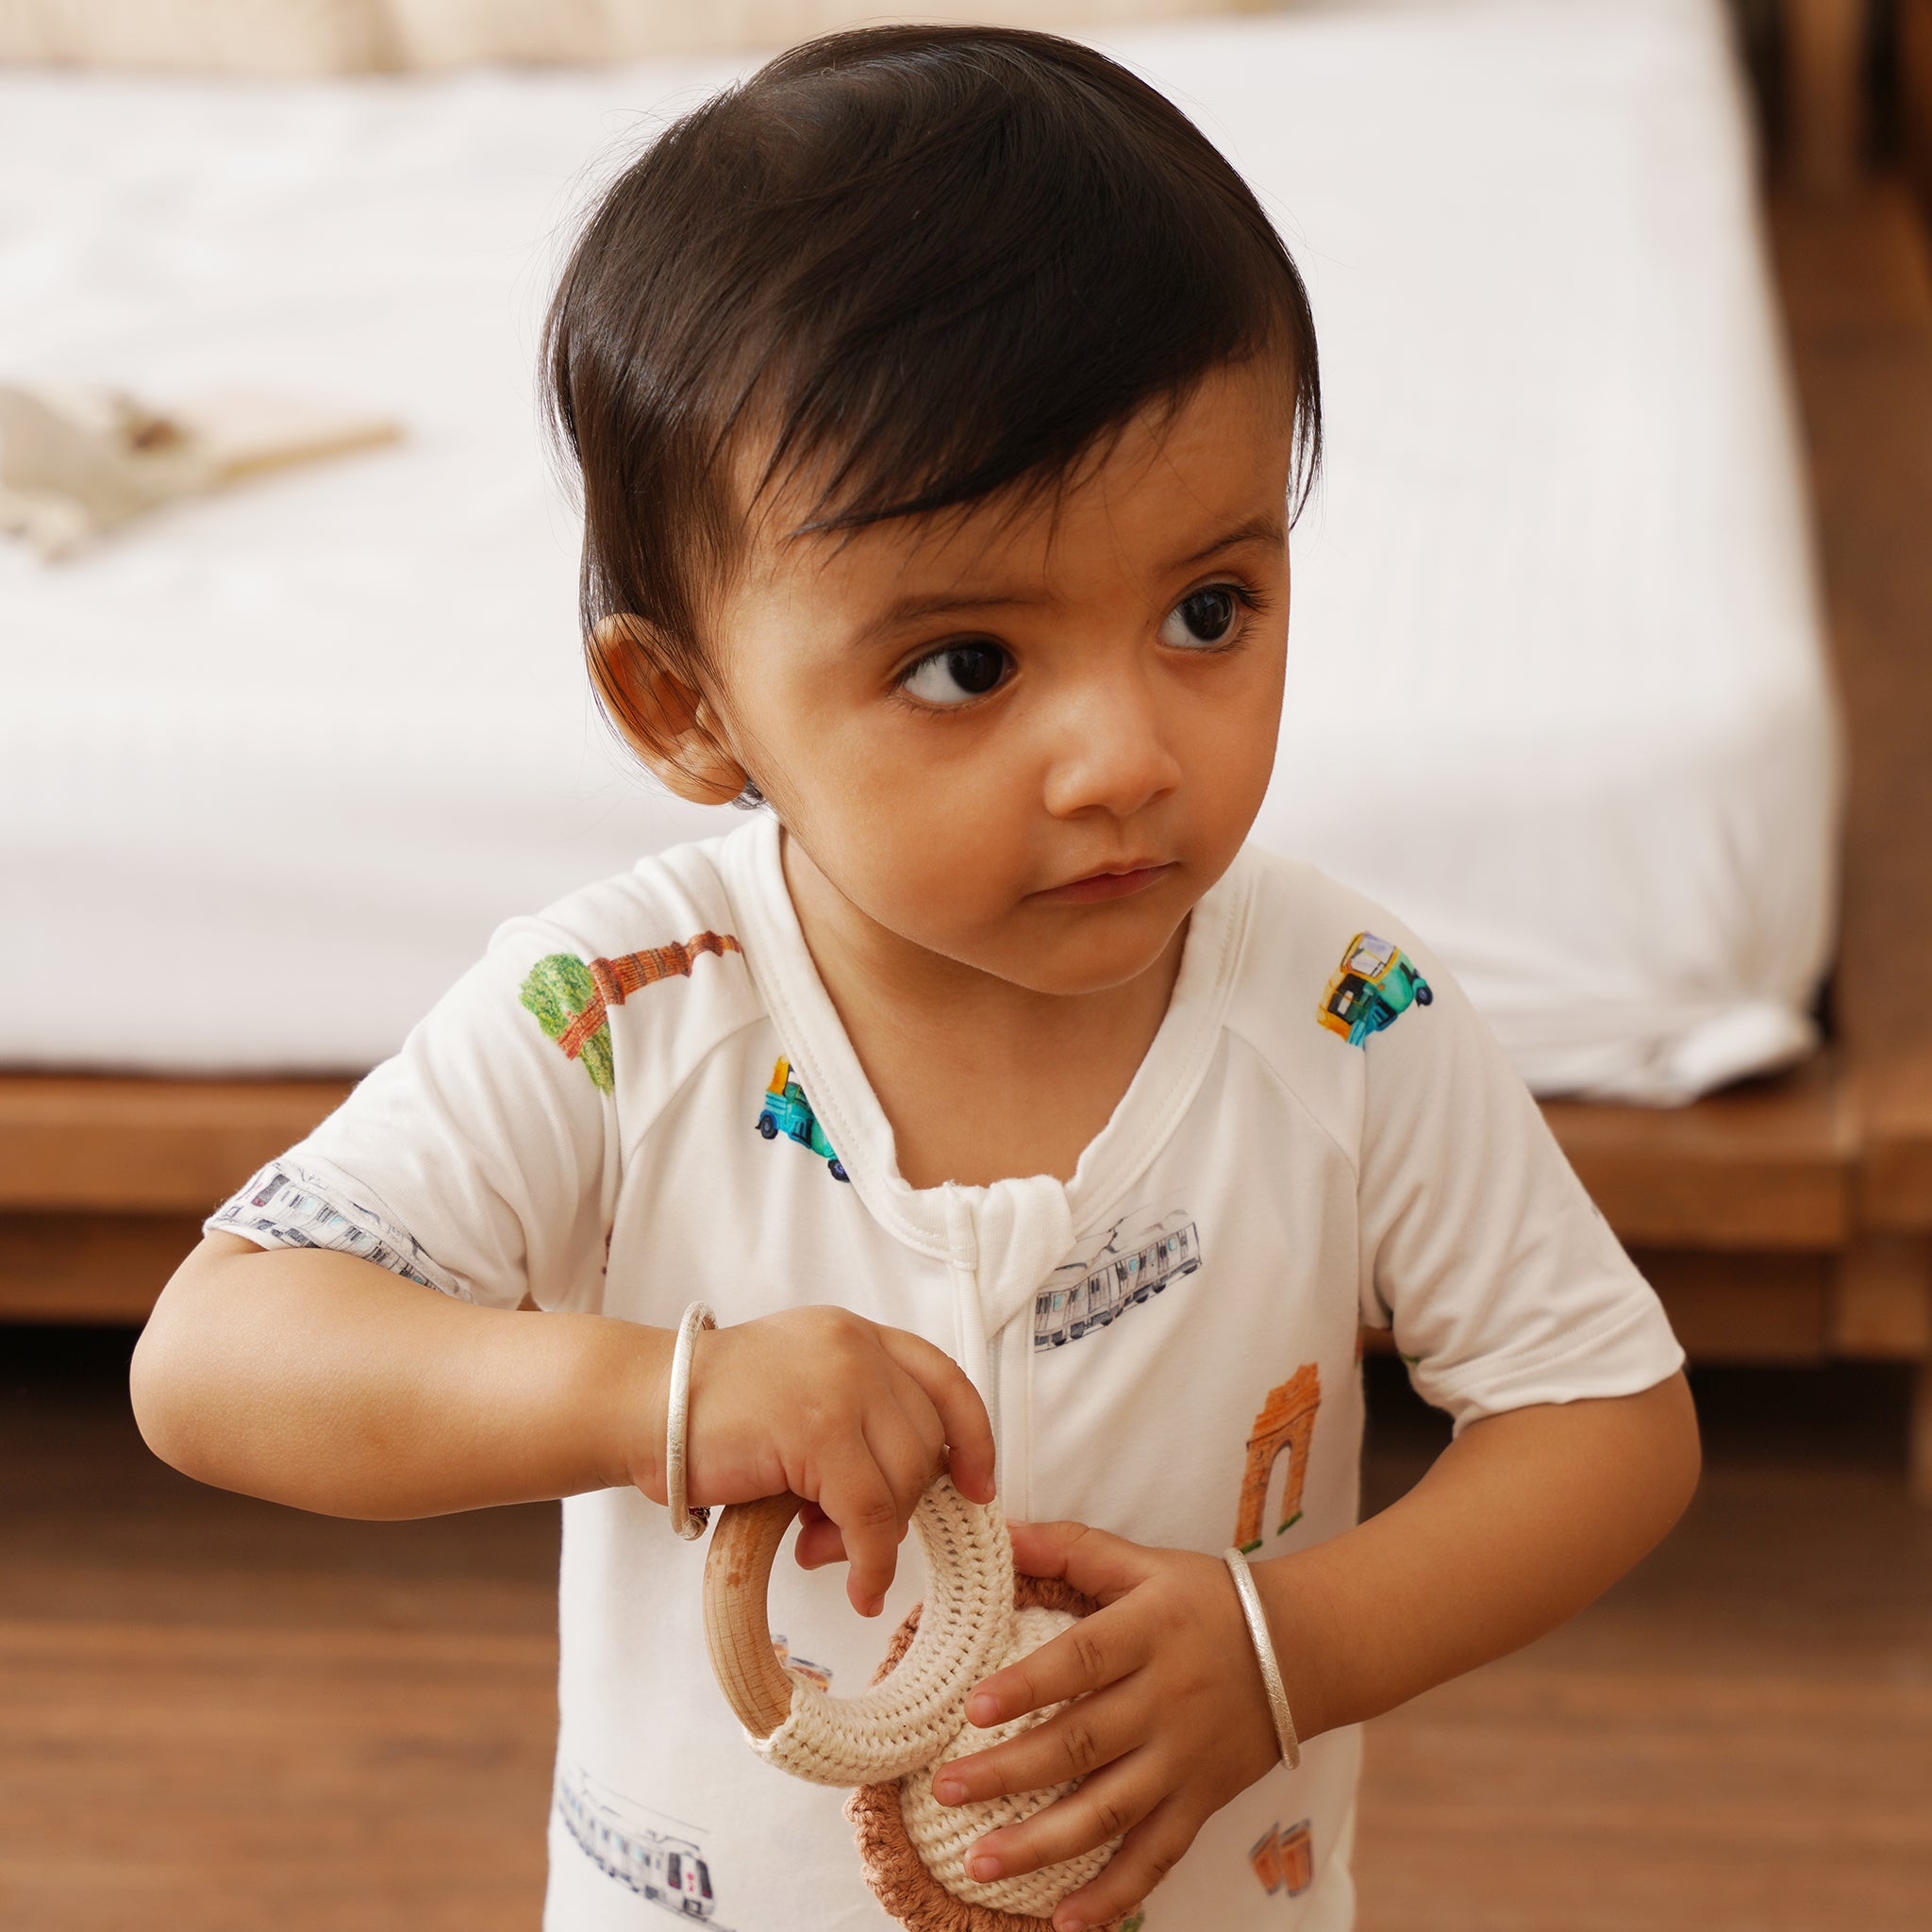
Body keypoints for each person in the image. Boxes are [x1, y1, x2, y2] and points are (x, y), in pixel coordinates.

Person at [129, 25, 1701, 1932]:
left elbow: (1602, 1419)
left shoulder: (1338, 1010)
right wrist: (662, 1397)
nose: (1125, 752)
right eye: (966, 663)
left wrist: (1287, 1646)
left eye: (1211, 609)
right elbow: (214, 1358)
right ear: (687, 704)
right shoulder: (618, 1011)